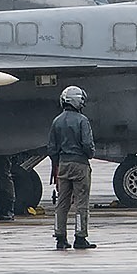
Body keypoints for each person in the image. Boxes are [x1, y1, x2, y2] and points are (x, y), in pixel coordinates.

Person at [49, 85, 96, 250]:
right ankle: (80, 237)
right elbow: (88, 145)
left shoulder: (57, 121)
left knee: (62, 203)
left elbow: (52, 148)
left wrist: (57, 164)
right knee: (81, 202)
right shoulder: (83, 121)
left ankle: (60, 237)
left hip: (62, 165)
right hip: (79, 165)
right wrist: (89, 155)